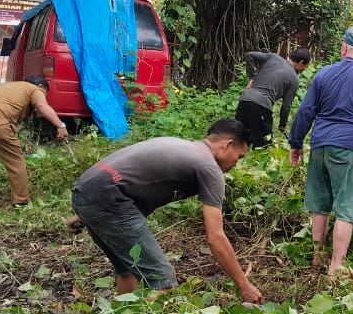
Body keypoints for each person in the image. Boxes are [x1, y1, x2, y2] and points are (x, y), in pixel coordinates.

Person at [69, 118, 263, 303]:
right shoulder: (209, 168)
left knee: (129, 267)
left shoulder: (181, 145)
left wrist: (86, 211)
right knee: (161, 278)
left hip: (88, 191)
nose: (237, 162)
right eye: (239, 156)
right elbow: (215, 237)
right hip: (109, 200)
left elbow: (130, 175)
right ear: (227, 145)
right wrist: (243, 284)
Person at [287, 27, 353, 278]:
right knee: (347, 207)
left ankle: (317, 255)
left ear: (344, 48)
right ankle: (336, 266)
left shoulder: (324, 74)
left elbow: (305, 111)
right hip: (351, 149)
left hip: (320, 146)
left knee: (320, 204)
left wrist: (296, 143)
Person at [0, 75, 68, 209]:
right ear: (41, 87)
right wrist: (60, 125)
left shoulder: (8, 86)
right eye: (45, 94)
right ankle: (21, 202)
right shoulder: (35, 89)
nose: (43, 96)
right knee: (16, 162)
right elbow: (41, 106)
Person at [235, 48, 310, 149]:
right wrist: (282, 125)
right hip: (261, 106)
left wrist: (251, 78)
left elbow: (249, 55)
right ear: (301, 62)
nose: (304, 69)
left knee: (238, 140)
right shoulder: (294, 79)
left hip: (244, 99)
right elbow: (286, 106)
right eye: (305, 66)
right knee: (264, 145)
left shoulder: (272, 57)